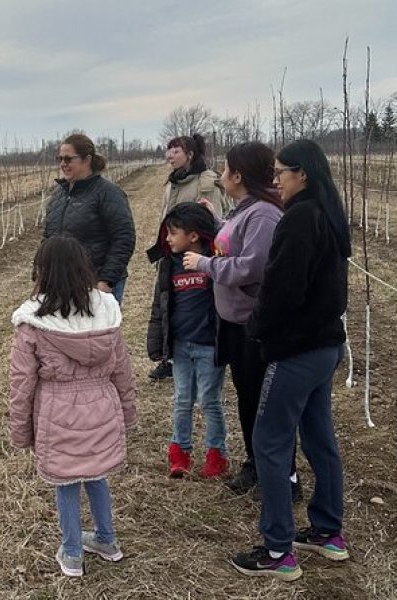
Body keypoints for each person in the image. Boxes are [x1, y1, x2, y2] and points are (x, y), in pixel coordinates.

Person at [231, 140, 351, 581]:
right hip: (325, 347)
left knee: (270, 441)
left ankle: (279, 550)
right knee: (319, 436)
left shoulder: (299, 218)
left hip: (297, 351)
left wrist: (257, 330)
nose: (275, 179)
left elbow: (282, 290)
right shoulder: (327, 214)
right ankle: (327, 532)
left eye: (281, 172)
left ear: (303, 174)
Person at [8, 235, 137, 577]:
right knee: (96, 474)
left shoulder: (33, 320)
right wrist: (127, 412)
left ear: (42, 272)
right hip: (102, 405)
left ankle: (72, 551)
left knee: (65, 481)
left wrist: (21, 429)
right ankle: (107, 540)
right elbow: (122, 369)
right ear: (84, 269)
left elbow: (22, 382)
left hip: (57, 411)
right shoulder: (107, 311)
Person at [182, 142, 302, 500]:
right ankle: (257, 464)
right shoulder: (245, 210)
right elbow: (237, 244)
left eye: (225, 170)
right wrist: (217, 222)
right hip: (236, 323)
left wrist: (204, 265)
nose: (220, 175)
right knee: (249, 398)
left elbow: (252, 266)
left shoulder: (263, 213)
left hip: (253, 326)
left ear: (238, 175)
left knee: (262, 401)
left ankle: (282, 475)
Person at [147, 203, 227, 478]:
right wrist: (157, 342)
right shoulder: (170, 265)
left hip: (209, 345)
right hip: (181, 346)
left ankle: (216, 455)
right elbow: (160, 305)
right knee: (182, 399)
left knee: (209, 401)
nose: (167, 239)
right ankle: (179, 452)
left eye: (173, 232)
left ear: (193, 235)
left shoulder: (215, 260)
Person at [149, 133, 227, 380]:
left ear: (190, 155)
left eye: (176, 151)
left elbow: (209, 223)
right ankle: (171, 357)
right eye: (168, 151)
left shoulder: (206, 181)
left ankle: (203, 355)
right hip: (173, 251)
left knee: (196, 306)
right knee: (168, 303)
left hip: (196, 258)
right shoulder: (173, 182)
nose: (169, 156)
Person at [43, 133, 136, 305]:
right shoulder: (59, 195)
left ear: (86, 160)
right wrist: (41, 270)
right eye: (60, 159)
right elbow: (49, 236)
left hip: (96, 283)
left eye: (69, 159)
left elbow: (124, 238)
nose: (63, 164)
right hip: (64, 283)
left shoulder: (108, 193)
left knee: (96, 332)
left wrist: (106, 281)